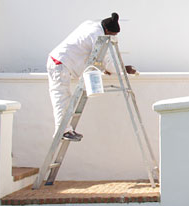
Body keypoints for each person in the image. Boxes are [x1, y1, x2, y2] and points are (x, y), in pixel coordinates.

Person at [47, 12, 136, 141]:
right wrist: (124, 69)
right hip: (60, 63)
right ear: (106, 30)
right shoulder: (98, 36)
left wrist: (103, 69)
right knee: (61, 97)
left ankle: (66, 130)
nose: (112, 38)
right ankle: (62, 132)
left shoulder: (90, 24)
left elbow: (88, 51)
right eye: (112, 35)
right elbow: (106, 61)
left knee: (65, 97)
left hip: (63, 61)